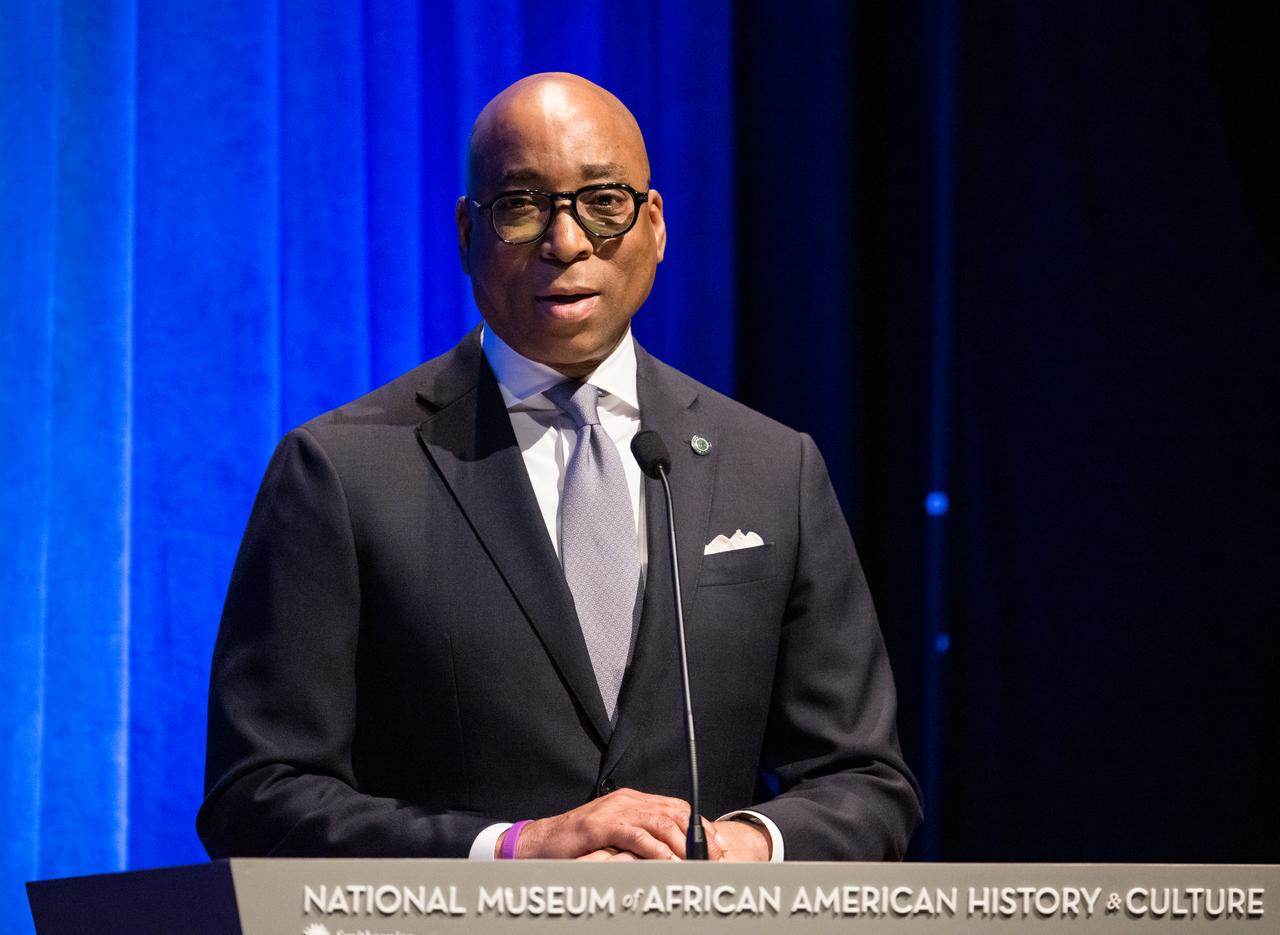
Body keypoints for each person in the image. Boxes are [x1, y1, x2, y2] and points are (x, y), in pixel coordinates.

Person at [197, 73, 921, 862]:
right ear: (467, 234)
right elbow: (257, 796)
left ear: (654, 226)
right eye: (521, 206)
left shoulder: (773, 467)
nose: (566, 241)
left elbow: (866, 778)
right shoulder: (339, 471)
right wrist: (513, 849)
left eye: (603, 202)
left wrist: (748, 846)